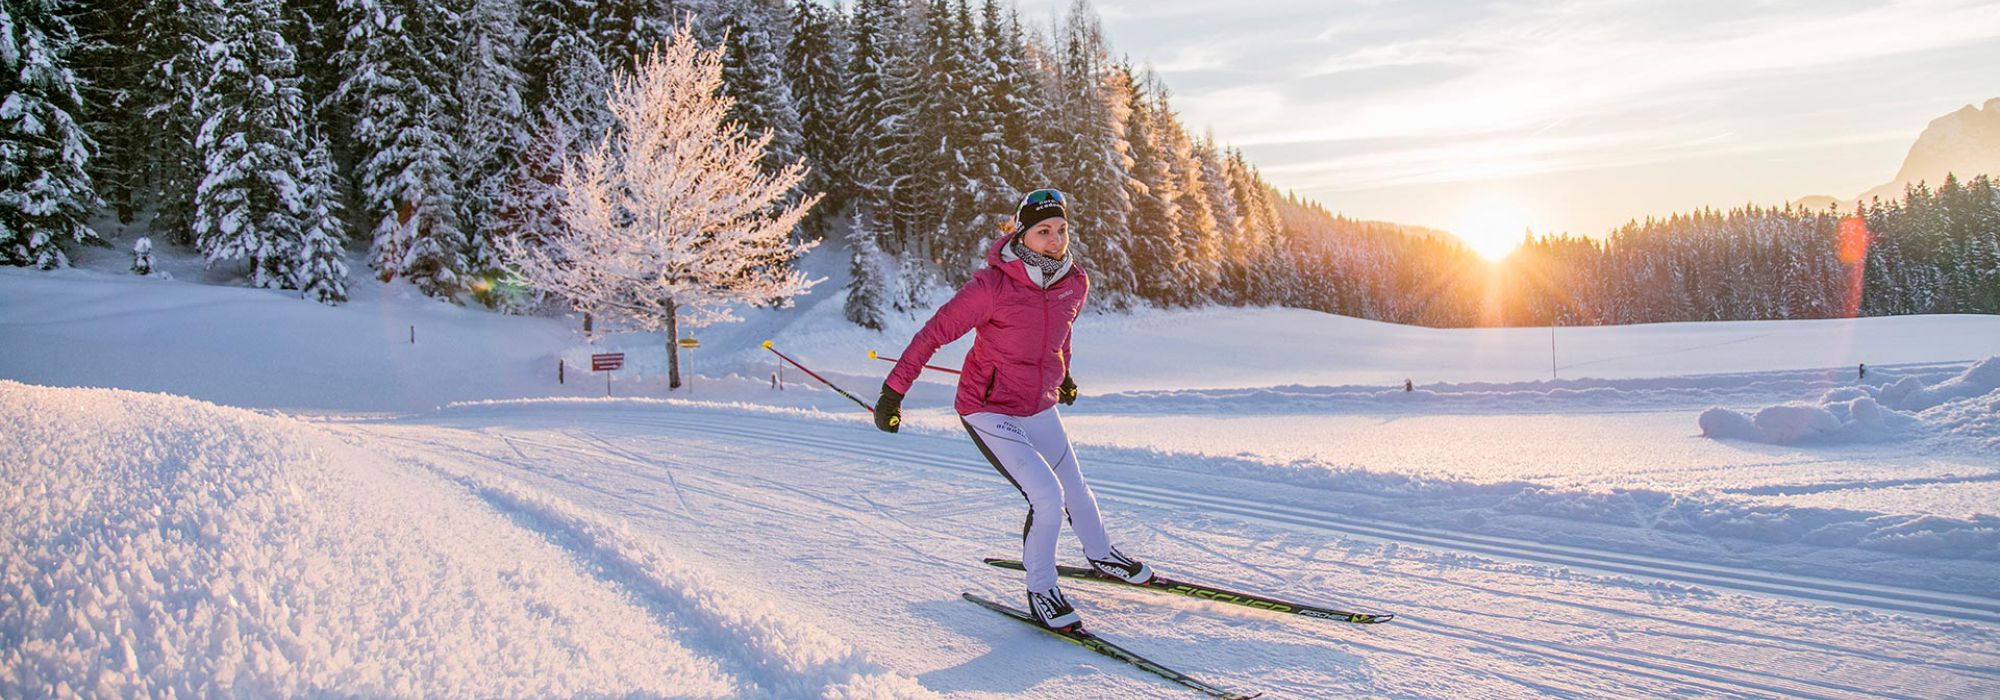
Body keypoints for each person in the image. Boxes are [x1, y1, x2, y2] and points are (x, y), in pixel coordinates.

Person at [873, 188, 1152, 631]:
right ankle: (1041, 589)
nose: (1055, 239)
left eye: (1061, 229)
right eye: (1044, 231)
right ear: (1022, 234)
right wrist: (893, 393)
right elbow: (932, 334)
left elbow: (1060, 335)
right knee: (1046, 496)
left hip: (1037, 402)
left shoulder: (1073, 281)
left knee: (1075, 487)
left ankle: (1101, 554)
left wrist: (1065, 376)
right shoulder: (991, 286)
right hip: (988, 407)